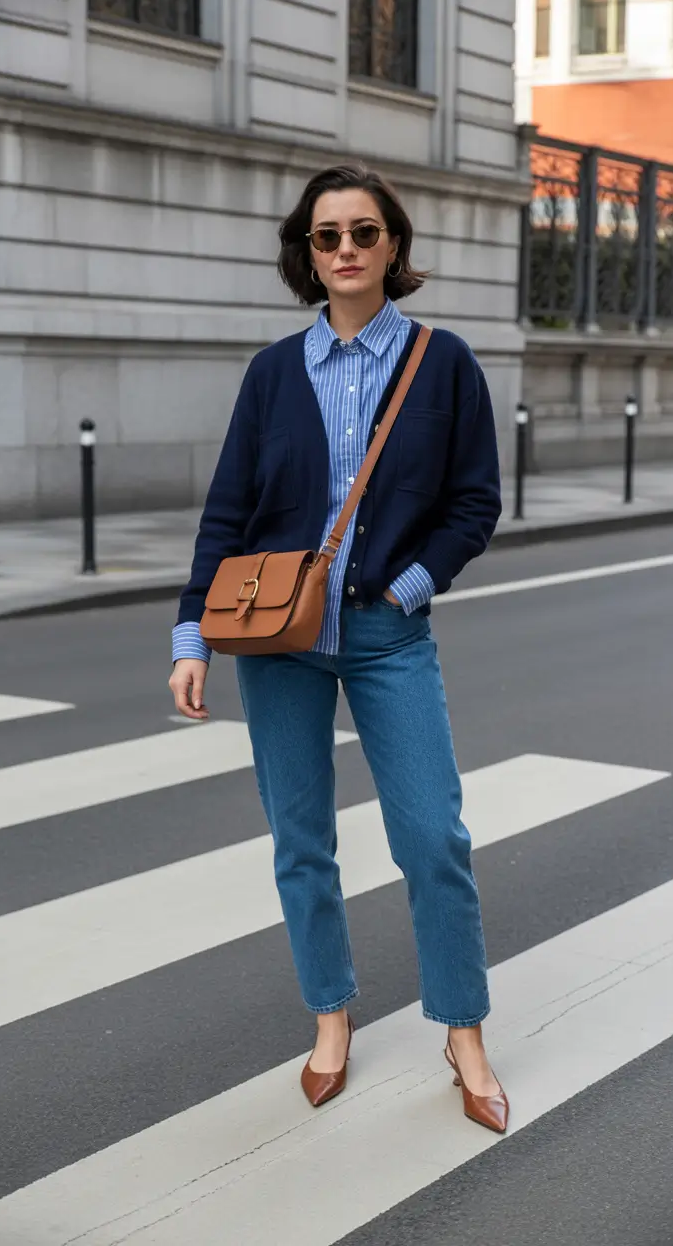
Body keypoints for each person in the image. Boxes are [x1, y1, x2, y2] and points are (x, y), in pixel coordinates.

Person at [168, 163, 508, 1133]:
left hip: (385, 636)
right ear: (307, 255)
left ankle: (463, 1030)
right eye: (328, 236)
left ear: (392, 245)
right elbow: (227, 511)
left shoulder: (443, 363)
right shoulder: (273, 373)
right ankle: (330, 1016)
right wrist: (192, 634)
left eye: (364, 232)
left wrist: (406, 589)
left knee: (433, 838)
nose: (347, 249)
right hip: (275, 638)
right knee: (301, 842)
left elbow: (474, 501)